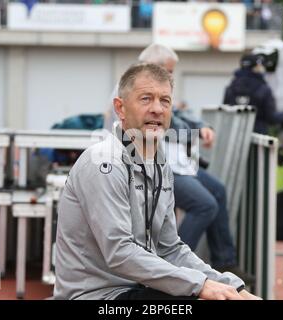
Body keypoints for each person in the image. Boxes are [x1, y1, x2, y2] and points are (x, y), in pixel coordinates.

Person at [53, 63, 260, 300]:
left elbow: (170, 248)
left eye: (165, 101)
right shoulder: (104, 163)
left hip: (136, 288)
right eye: (145, 99)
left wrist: (233, 287)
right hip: (97, 296)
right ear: (120, 108)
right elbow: (119, 253)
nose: (157, 109)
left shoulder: (160, 165)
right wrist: (200, 285)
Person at [223, 53, 283, 135]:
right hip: (257, 138)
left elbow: (225, 114)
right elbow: (271, 118)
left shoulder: (230, 88)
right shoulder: (263, 89)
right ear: (257, 67)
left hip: (234, 136)